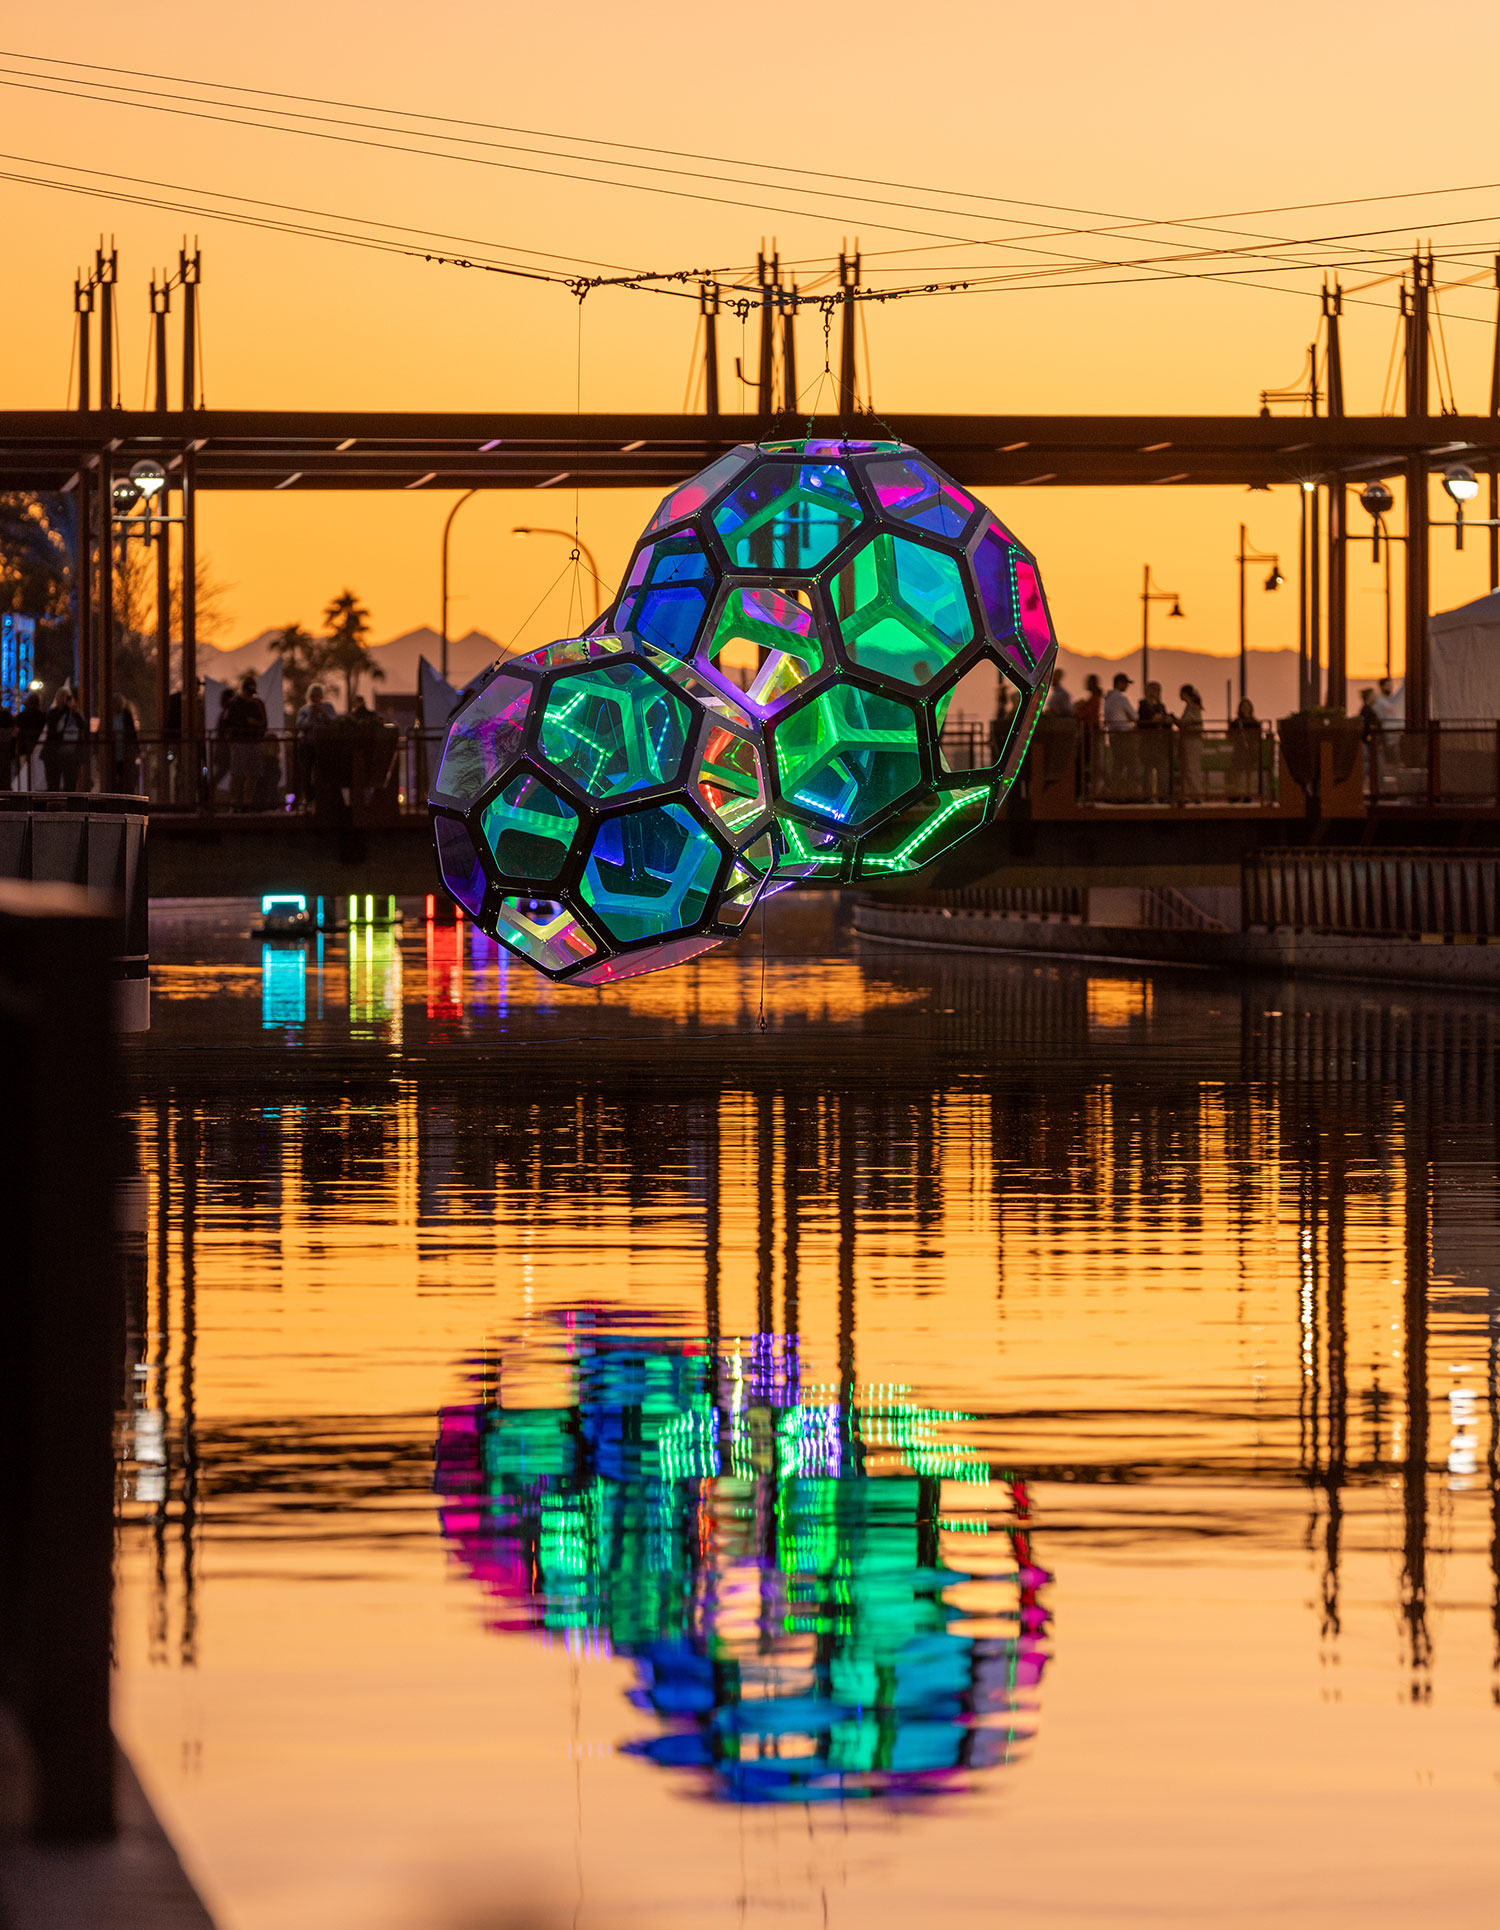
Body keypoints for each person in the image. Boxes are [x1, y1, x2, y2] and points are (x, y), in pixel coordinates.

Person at [224, 673, 269, 811]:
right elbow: (227, 722)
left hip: (255, 743)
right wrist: (245, 722)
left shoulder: (257, 704)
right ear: (243, 690)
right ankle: (235, 803)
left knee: (253, 775)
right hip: (239, 742)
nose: (250, 696)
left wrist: (257, 727)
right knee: (238, 774)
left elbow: (264, 723)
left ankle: (247, 803)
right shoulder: (234, 704)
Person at [294, 681, 336, 811]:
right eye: (312, 695)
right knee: (306, 773)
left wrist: (322, 713)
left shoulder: (328, 707)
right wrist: (311, 716)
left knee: (323, 773)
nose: (315, 697)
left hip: (323, 746)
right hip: (306, 746)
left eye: (317, 694)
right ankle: (309, 799)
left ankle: (323, 800)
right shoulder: (304, 710)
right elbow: (300, 726)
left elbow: (334, 722)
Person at [41, 686, 89, 792]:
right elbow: (52, 724)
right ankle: (54, 805)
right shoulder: (53, 712)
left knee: (70, 784)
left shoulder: (75, 713)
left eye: (68, 697)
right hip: (54, 753)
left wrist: (74, 711)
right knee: (53, 784)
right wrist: (64, 709)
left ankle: (70, 806)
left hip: (71, 753)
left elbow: (83, 726)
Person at [1135, 679, 1172, 799]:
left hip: (1160, 744)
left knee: (1163, 772)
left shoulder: (1161, 706)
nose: (1155, 693)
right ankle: (1147, 796)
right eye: (1153, 690)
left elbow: (1165, 722)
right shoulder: (1143, 705)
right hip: (1147, 744)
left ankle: (1163, 796)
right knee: (1147, 772)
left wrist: (1166, 721)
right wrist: (1154, 719)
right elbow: (1143, 722)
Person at [1103, 672, 1138, 798]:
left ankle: (1115, 792)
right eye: (1125, 684)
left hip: (1113, 736)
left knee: (1117, 765)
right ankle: (1131, 793)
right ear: (1120, 684)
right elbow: (1134, 716)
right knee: (1131, 765)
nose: (1127, 686)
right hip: (1124, 735)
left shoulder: (1108, 698)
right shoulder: (1121, 698)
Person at [1228, 696, 1261, 802]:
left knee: (1249, 773)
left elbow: (1257, 737)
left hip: (1250, 750)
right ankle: (1237, 793)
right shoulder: (1236, 723)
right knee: (1238, 773)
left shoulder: (1254, 723)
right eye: (1244, 706)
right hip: (1239, 750)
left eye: (1247, 706)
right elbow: (1230, 737)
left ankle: (1248, 794)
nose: (1245, 709)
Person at [108, 692, 141, 795]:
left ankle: (124, 794)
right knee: (114, 773)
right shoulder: (108, 716)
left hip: (124, 750)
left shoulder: (126, 714)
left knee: (125, 774)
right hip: (113, 751)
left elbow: (132, 733)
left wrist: (136, 748)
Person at [1176, 684, 1205, 800]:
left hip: (1192, 741)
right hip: (1187, 741)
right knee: (1187, 768)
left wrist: (1182, 724)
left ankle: (1197, 794)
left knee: (1192, 768)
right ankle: (1188, 794)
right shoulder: (1189, 707)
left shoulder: (1193, 707)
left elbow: (1195, 724)